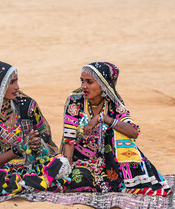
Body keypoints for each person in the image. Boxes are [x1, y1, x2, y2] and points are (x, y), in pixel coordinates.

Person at [60, 62, 171, 196]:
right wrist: (66, 172)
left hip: (109, 162)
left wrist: (104, 118)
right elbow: (69, 140)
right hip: (82, 162)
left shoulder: (114, 104)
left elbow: (133, 132)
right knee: (78, 178)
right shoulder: (75, 102)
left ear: (103, 84)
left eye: (89, 82)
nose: (84, 86)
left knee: (118, 132)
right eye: (82, 81)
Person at [0, 59, 71, 196]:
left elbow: (45, 136)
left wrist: (37, 143)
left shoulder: (28, 106)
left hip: (33, 165)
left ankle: (21, 185)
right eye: (11, 82)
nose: (17, 87)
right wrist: (19, 148)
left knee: (61, 162)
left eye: (16, 81)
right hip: (5, 170)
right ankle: (35, 184)